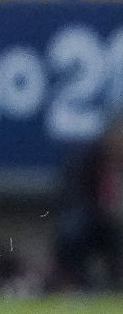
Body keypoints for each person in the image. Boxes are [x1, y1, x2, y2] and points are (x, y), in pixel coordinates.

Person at [48, 115, 123, 292]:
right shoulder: (85, 161)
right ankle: (77, 282)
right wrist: (104, 213)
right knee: (72, 228)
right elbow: (72, 197)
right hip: (92, 220)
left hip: (118, 225)